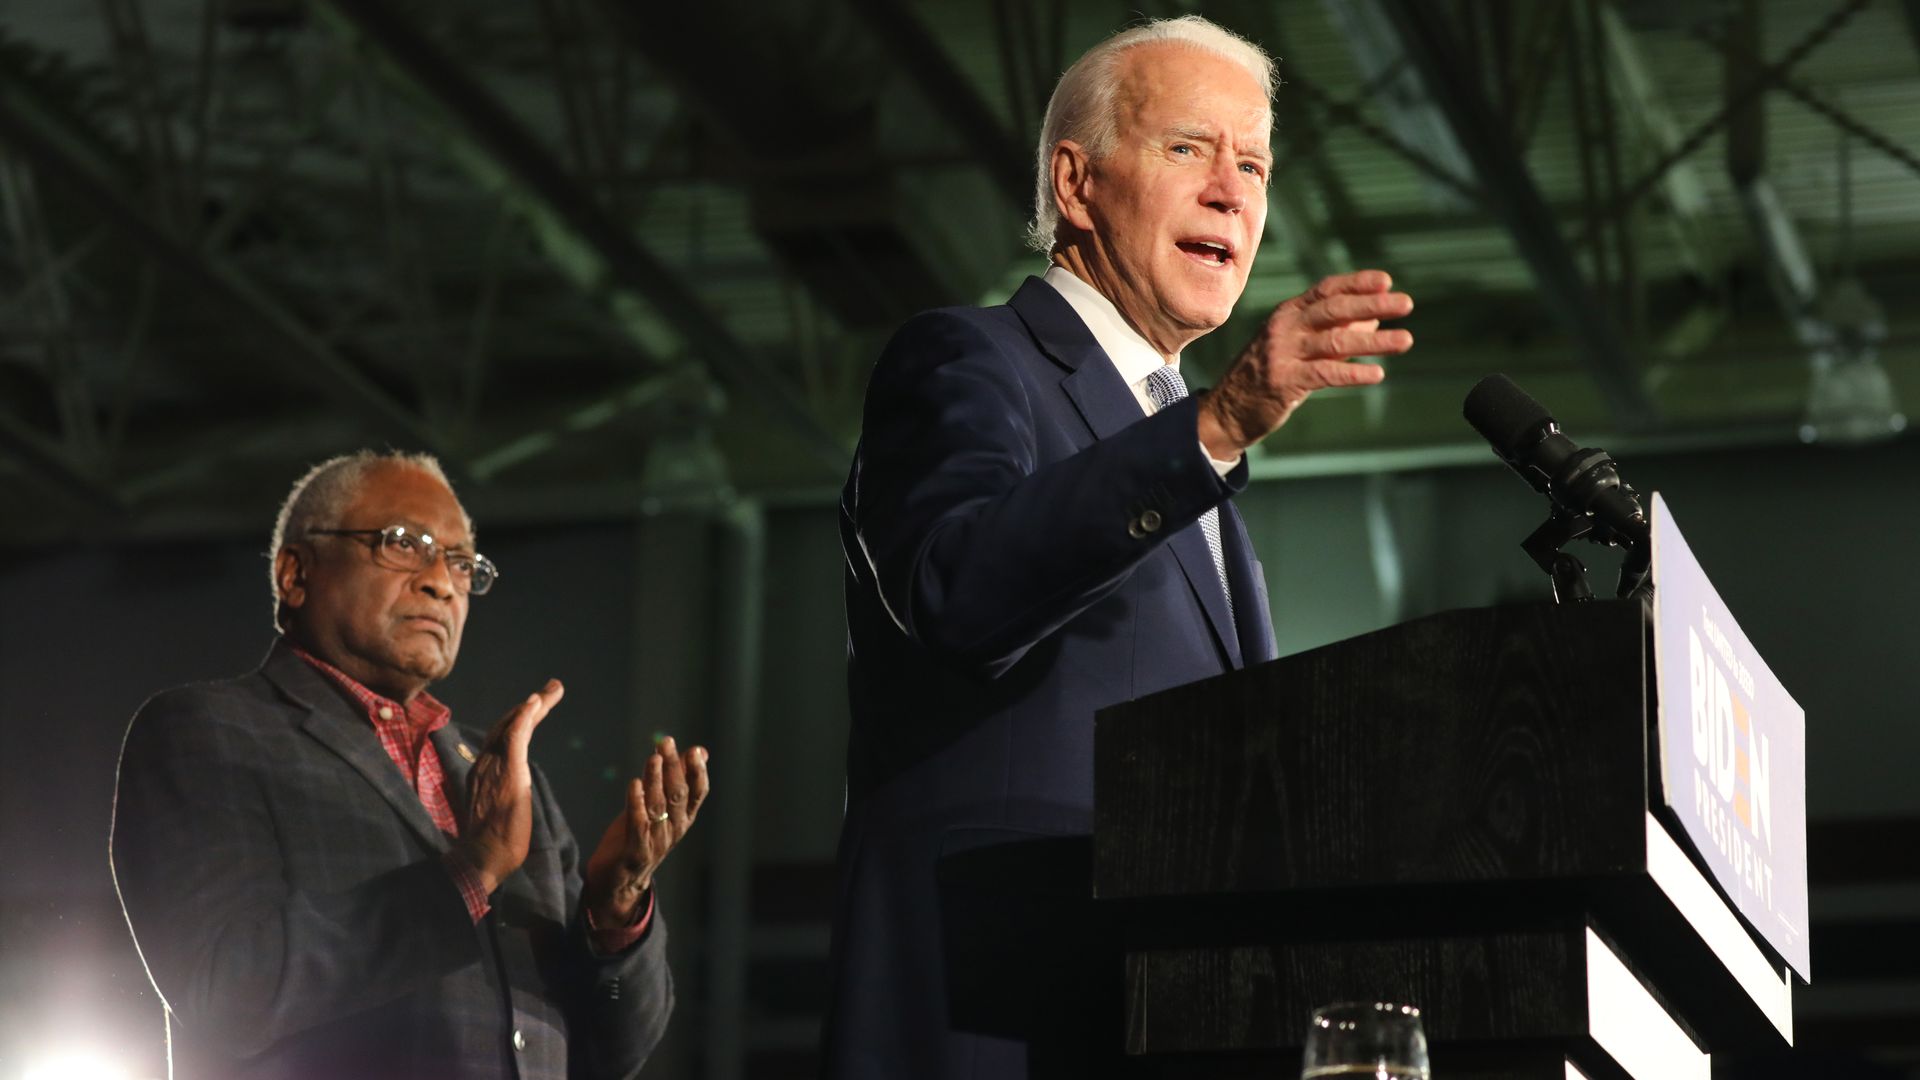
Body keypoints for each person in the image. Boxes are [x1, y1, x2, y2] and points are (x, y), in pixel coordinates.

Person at [822, 14, 1414, 1079]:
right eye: (1189, 148)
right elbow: (955, 590)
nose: (1233, 190)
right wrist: (1215, 428)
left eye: (1254, 165)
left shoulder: (1197, 466)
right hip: (990, 1006)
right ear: (1077, 183)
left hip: (1165, 1016)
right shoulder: (970, 361)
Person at [111, 450, 708, 1079]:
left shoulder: (503, 775)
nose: (441, 582)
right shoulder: (210, 731)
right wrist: (472, 873)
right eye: (403, 543)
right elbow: (229, 988)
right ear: (295, 574)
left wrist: (615, 912)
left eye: (459, 562)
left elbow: (611, 1050)